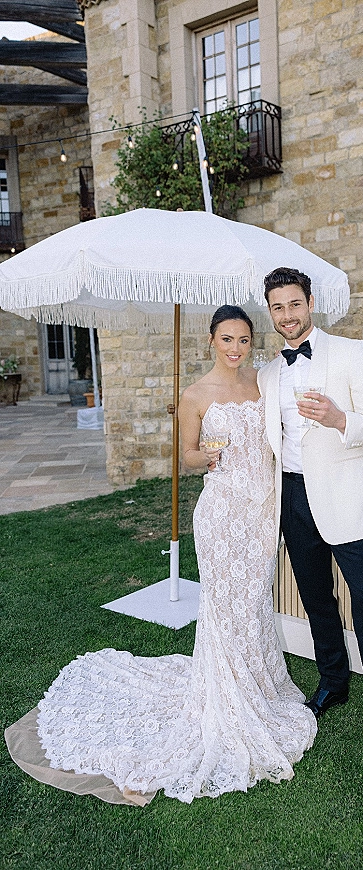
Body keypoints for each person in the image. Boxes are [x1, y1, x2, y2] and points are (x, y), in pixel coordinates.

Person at [5, 305, 316, 804]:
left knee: (254, 600)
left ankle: (255, 681)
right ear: (210, 340)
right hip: (221, 514)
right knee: (223, 606)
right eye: (226, 339)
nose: (235, 348)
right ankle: (226, 694)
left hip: (263, 514)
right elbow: (186, 456)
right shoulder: (193, 395)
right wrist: (207, 456)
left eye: (242, 340)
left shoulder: (265, 382)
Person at [257, 267, 363, 758]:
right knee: (315, 598)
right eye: (277, 307)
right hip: (292, 499)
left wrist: (339, 418)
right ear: (271, 311)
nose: (287, 315)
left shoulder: (350, 353)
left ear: (310, 302)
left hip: (346, 498)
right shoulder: (267, 373)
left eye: (294, 304)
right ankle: (332, 681)